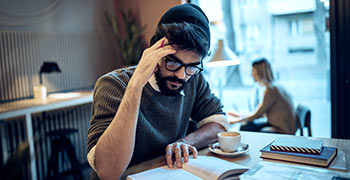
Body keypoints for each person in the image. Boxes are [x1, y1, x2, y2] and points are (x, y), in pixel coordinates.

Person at [86, 4, 230, 180]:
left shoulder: (194, 78)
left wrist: (184, 143)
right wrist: (135, 86)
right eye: (173, 63)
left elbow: (220, 123)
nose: (181, 75)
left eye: (191, 66)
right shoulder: (113, 84)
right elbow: (108, 172)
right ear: (155, 51)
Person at [228, 58, 297, 134]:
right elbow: (260, 113)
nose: (251, 74)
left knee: (245, 127)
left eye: (253, 71)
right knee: (248, 125)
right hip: (283, 125)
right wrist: (239, 116)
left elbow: (257, 115)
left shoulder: (271, 90)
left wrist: (234, 121)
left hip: (282, 129)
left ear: (260, 72)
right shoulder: (276, 86)